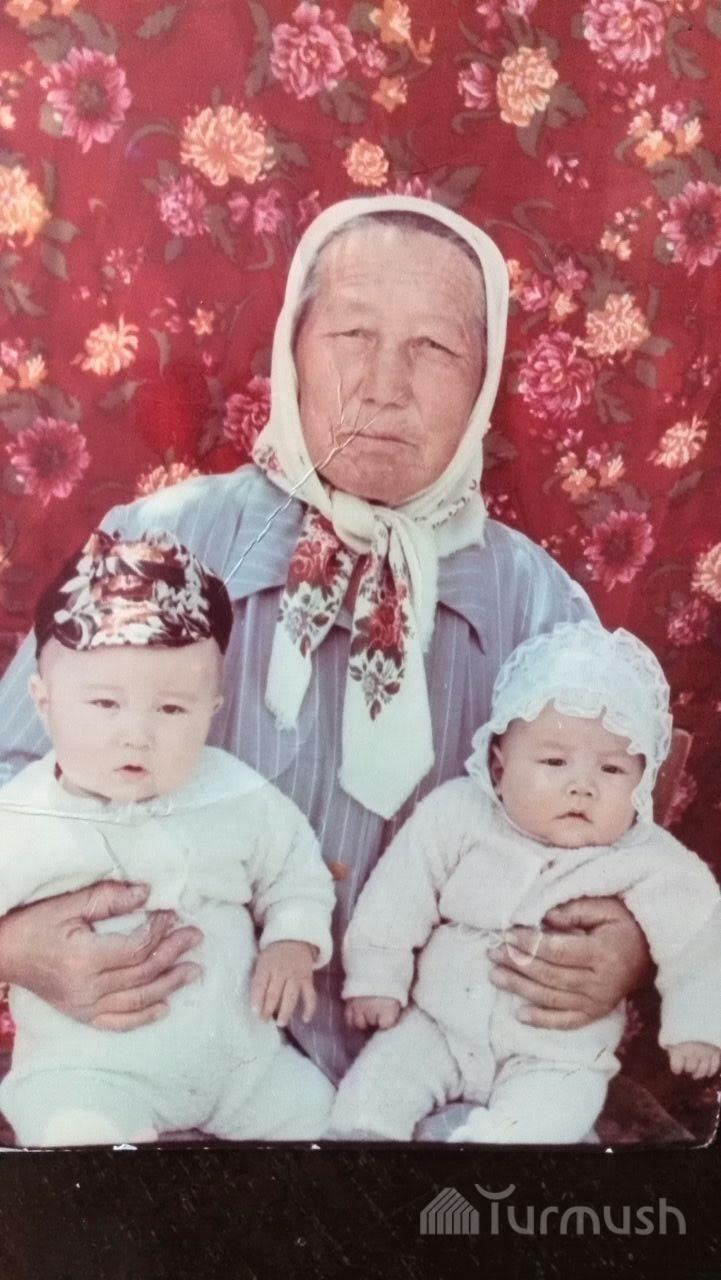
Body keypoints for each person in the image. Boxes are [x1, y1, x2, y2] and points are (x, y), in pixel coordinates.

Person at [0, 195, 651, 1139]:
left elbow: (625, 845)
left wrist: (629, 944)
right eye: (351, 334)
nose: (385, 385)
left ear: (483, 384)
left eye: (434, 348)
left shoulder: (538, 606)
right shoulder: (161, 544)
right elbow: (10, 777)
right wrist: (17, 944)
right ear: (292, 350)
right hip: (159, 1073)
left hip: (444, 1091)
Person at [0, 531, 335, 1145]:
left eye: (172, 709)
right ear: (44, 704)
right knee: (79, 1136)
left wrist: (293, 939)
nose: (138, 733)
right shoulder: (22, 817)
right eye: (105, 704)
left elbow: (294, 866)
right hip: (90, 1073)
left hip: (243, 1070)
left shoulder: (233, 792)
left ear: (212, 709)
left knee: (329, 1128)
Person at [329, 622, 721, 1143]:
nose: (582, 786)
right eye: (555, 761)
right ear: (499, 769)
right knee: (373, 1092)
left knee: (546, 1123)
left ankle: (485, 1161)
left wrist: (699, 1023)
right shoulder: (459, 813)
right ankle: (358, 1155)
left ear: (642, 781)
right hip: (438, 1024)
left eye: (611, 770)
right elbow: (400, 892)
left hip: (557, 1054)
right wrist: (376, 976)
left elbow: (697, 930)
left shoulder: (644, 856)